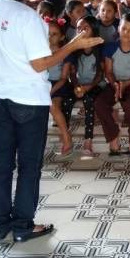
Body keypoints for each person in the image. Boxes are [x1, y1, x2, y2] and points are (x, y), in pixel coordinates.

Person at [0, 0, 102, 242]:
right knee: (29, 165)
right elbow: (40, 64)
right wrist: (73, 45)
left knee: (1, 161)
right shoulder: (25, 17)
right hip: (27, 101)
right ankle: (22, 225)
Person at [96, 14, 130, 155]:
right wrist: (116, 85)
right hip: (114, 83)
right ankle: (113, 136)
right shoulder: (110, 47)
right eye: (124, 28)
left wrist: (126, 84)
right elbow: (108, 71)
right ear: (118, 28)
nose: (126, 32)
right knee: (100, 103)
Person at [62, 16, 103, 157]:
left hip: (95, 85)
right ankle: (65, 136)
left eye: (85, 28)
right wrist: (77, 86)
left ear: (94, 30)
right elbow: (72, 73)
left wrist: (87, 88)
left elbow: (100, 75)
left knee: (89, 101)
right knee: (66, 101)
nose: (81, 31)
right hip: (79, 85)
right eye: (78, 28)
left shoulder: (99, 48)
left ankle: (88, 140)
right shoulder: (74, 49)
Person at [45, 18, 73, 158]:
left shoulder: (64, 53)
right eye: (48, 33)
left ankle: (66, 137)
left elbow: (63, 78)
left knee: (53, 106)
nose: (50, 37)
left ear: (62, 36)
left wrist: (50, 90)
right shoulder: (38, 51)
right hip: (41, 84)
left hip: (59, 85)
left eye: (54, 34)